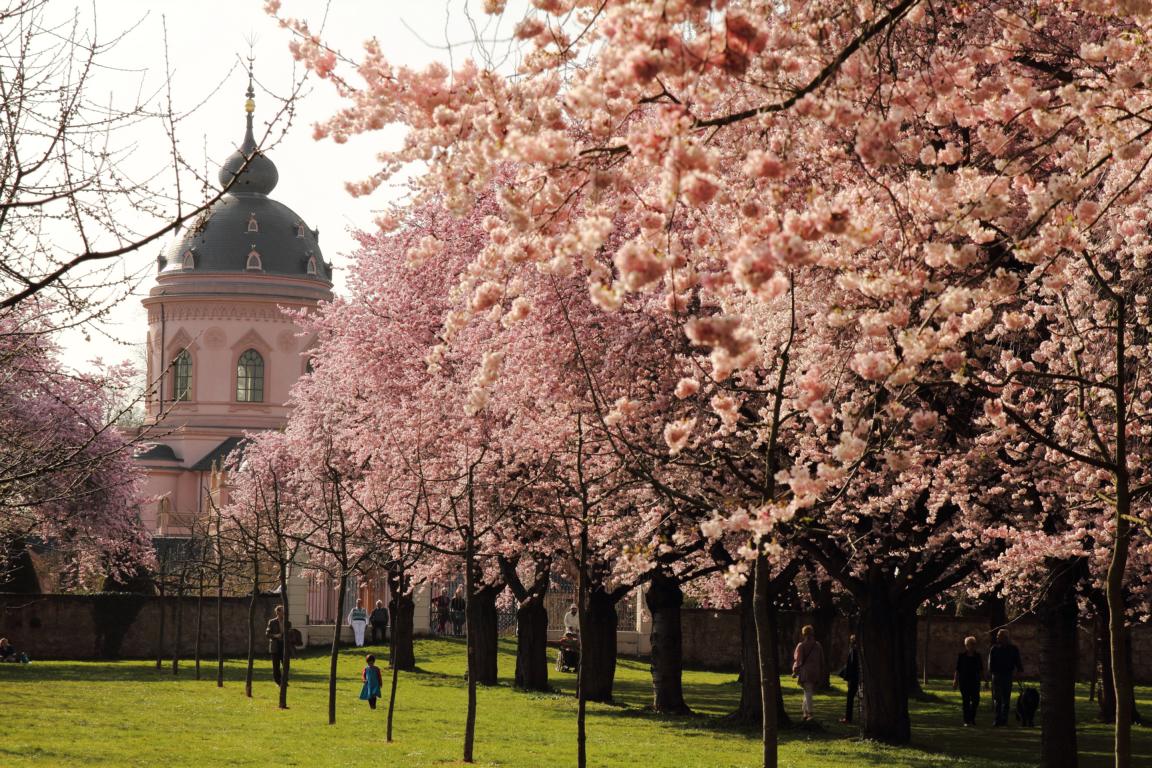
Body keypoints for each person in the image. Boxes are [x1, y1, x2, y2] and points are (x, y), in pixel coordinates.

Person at [987, 628, 1023, 726]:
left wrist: (1019, 671)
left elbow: (1018, 662)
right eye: (998, 636)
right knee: (997, 699)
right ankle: (997, 719)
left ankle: (1004, 719)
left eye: (999, 636)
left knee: (1006, 699)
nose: (997, 637)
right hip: (997, 675)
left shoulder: (1013, 649)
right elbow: (990, 664)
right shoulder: (994, 649)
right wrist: (991, 673)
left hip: (1007, 675)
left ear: (1005, 638)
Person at [792, 624, 826, 721]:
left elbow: (798, 661)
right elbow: (822, 660)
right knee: (808, 691)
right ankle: (805, 712)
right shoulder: (818, 645)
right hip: (815, 672)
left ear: (803, 634)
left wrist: (795, 670)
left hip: (806, 672)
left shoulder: (801, 646)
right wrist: (821, 670)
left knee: (808, 692)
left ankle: (809, 713)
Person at [954, 635, 984, 726]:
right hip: (964, 681)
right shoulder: (962, 656)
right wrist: (955, 680)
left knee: (976, 700)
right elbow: (957, 669)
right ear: (966, 645)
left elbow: (981, 669)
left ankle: (972, 718)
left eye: (974, 644)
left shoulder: (977, 656)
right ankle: (966, 720)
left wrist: (985, 680)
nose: (972, 646)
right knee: (965, 701)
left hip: (975, 681)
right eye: (970, 644)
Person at [266, 605, 292, 686]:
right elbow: (267, 634)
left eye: (284, 611)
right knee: (276, 665)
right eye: (282, 611)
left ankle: (284, 681)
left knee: (286, 664)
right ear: (278, 612)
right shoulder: (272, 622)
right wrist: (275, 636)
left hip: (284, 645)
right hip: (275, 646)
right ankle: (278, 681)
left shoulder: (288, 623)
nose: (284, 613)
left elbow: (289, 634)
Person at [839, 634, 860, 724]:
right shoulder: (860, 650)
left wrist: (848, 678)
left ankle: (848, 718)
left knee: (850, 698)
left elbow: (851, 665)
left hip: (854, 677)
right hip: (859, 676)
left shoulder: (853, 650)